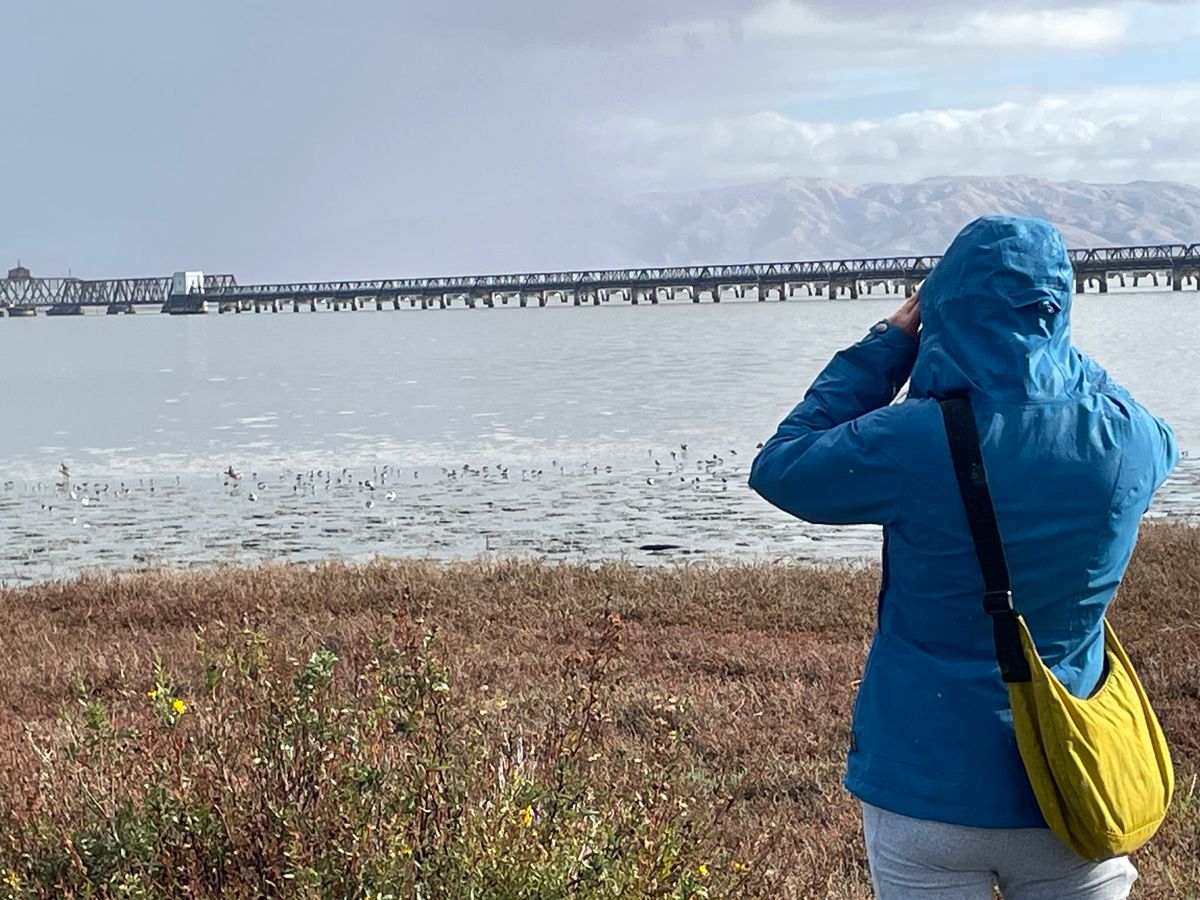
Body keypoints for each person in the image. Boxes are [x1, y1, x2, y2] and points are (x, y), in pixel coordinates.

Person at [748, 216, 1177, 899]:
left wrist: (888, 348)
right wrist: (1051, 352)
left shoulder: (909, 439)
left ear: (942, 307)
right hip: (1074, 773)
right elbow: (1150, 427)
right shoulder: (1126, 438)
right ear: (1058, 311)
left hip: (925, 781)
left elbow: (781, 468)